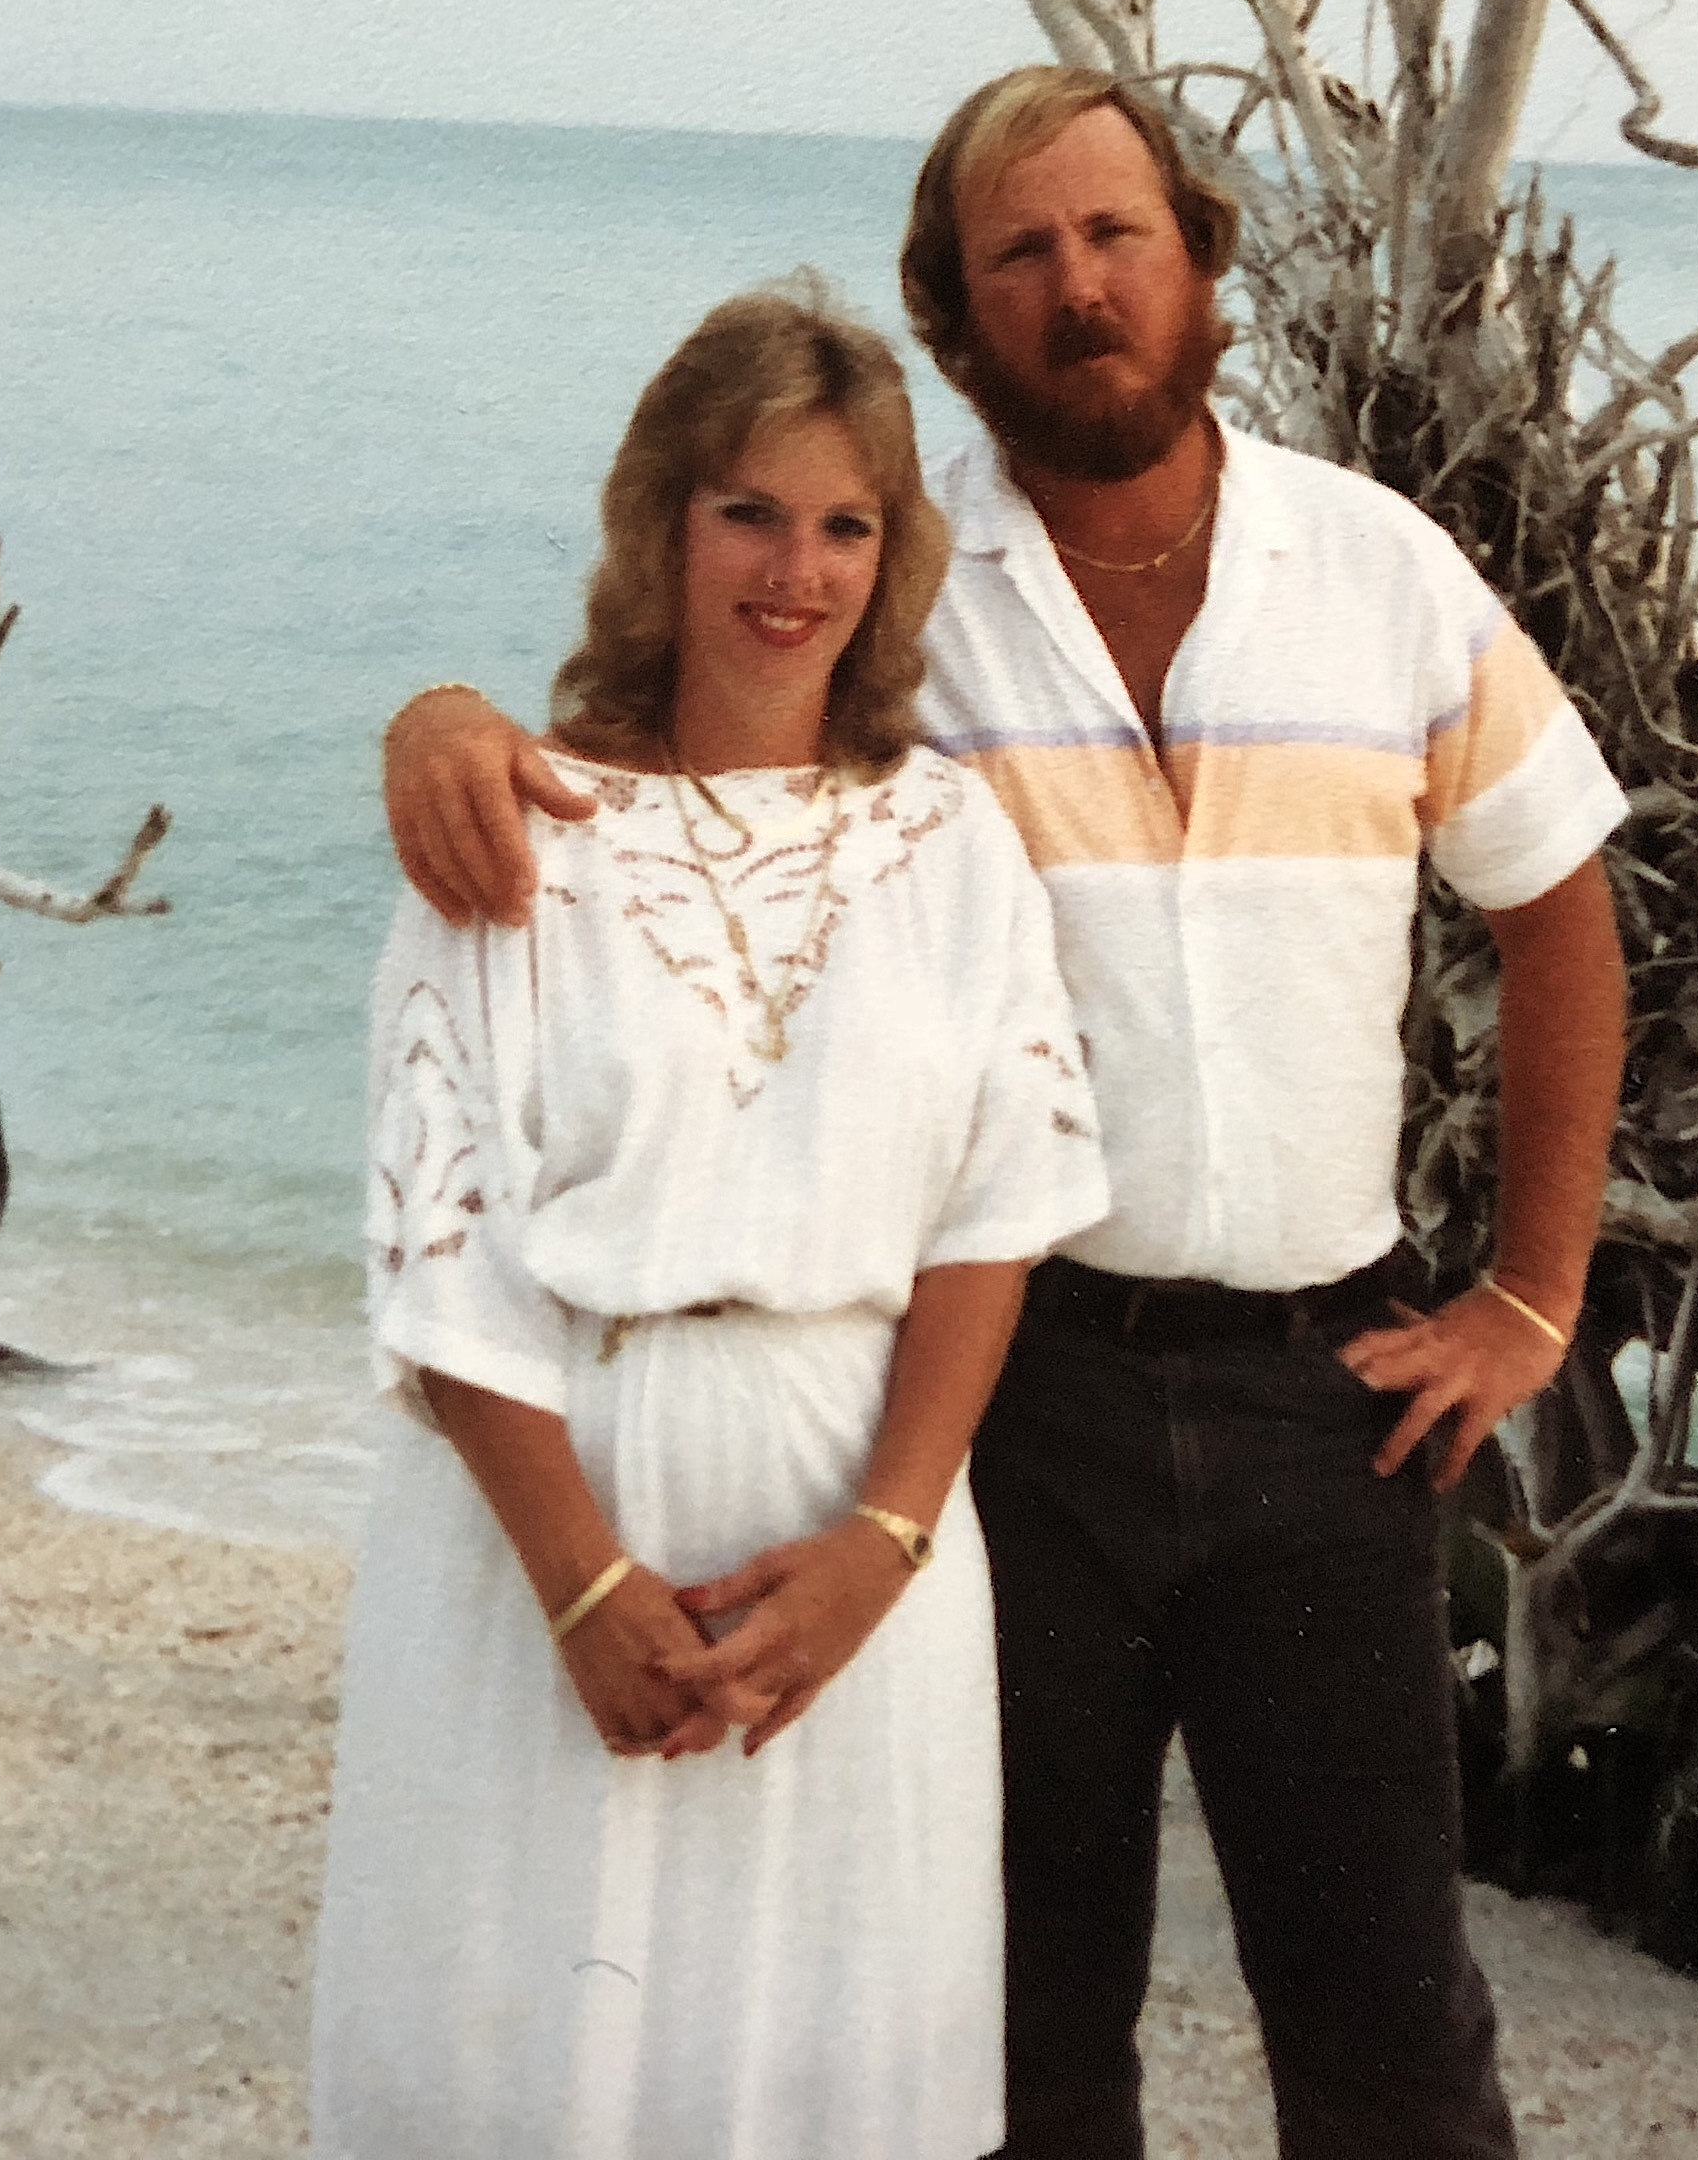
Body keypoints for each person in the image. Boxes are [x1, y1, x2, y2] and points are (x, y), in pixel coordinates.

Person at [384, 68, 1630, 2160]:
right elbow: (670, 757)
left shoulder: (1380, 567)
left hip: (1337, 1398)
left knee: (1388, 2029)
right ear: (956, 320)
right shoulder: (902, 592)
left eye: (1115, 233)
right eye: (1020, 257)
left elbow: (1562, 909)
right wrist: (442, 728)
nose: (1079, 288)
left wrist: (1534, 1292)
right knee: (1022, 2026)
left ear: (1202, 260)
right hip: (1013, 1411)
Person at [312, 278, 1111, 2160]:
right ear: (663, 521)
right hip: (544, 1535)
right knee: (527, 2072)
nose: (796, 570)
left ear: (895, 556)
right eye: (750, 510)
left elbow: (994, 1214)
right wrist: (582, 1585)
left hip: (857, 1548)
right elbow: (445, 1251)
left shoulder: (953, 843)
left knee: (831, 2080)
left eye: (847, 525)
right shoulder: (513, 825)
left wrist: (887, 1539)